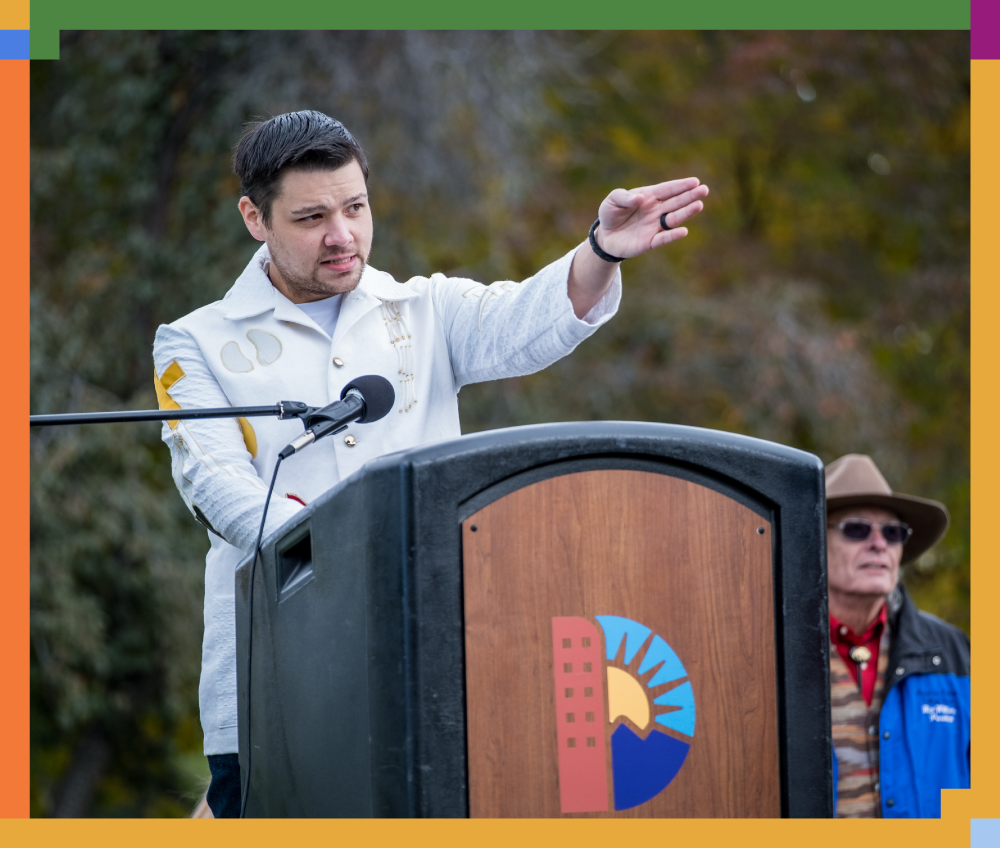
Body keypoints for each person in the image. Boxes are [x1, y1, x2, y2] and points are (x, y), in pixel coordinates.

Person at [151, 110, 709, 817]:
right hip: (276, 685)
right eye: (311, 216)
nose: (343, 235)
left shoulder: (423, 308)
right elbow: (215, 481)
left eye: (356, 207)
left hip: (431, 666)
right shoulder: (194, 343)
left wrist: (601, 250)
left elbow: (526, 321)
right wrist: (343, 551)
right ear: (254, 219)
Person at [825, 453, 969, 818]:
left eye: (893, 532)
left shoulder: (954, 651)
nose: (879, 544)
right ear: (811, 540)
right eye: (857, 529)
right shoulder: (769, 650)